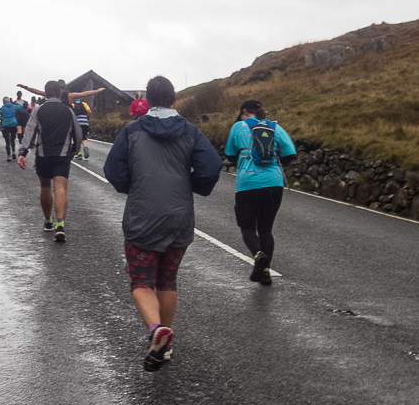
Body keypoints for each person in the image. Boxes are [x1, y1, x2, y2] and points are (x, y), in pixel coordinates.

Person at [103, 76, 221, 371]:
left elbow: (113, 169)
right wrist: (192, 184)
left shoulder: (132, 130)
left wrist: (134, 186)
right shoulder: (191, 131)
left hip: (143, 215)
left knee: (142, 280)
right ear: (174, 99)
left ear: (148, 100)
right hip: (179, 216)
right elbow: (211, 166)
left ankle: (156, 330)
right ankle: (164, 345)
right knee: (168, 279)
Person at [224, 99, 297, 285]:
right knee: (266, 229)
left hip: (247, 184)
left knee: (247, 228)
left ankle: (258, 255)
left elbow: (230, 155)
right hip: (273, 183)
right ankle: (265, 272)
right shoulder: (274, 127)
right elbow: (290, 154)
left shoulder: (238, 127)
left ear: (244, 112)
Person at [18, 80, 82, 243]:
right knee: (60, 188)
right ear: (61, 93)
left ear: (45, 94)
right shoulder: (68, 111)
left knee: (45, 186)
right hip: (62, 156)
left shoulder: (39, 110)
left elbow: (30, 131)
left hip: (43, 155)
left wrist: (23, 152)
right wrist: (74, 151)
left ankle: (48, 221)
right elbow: (78, 133)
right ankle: (60, 225)